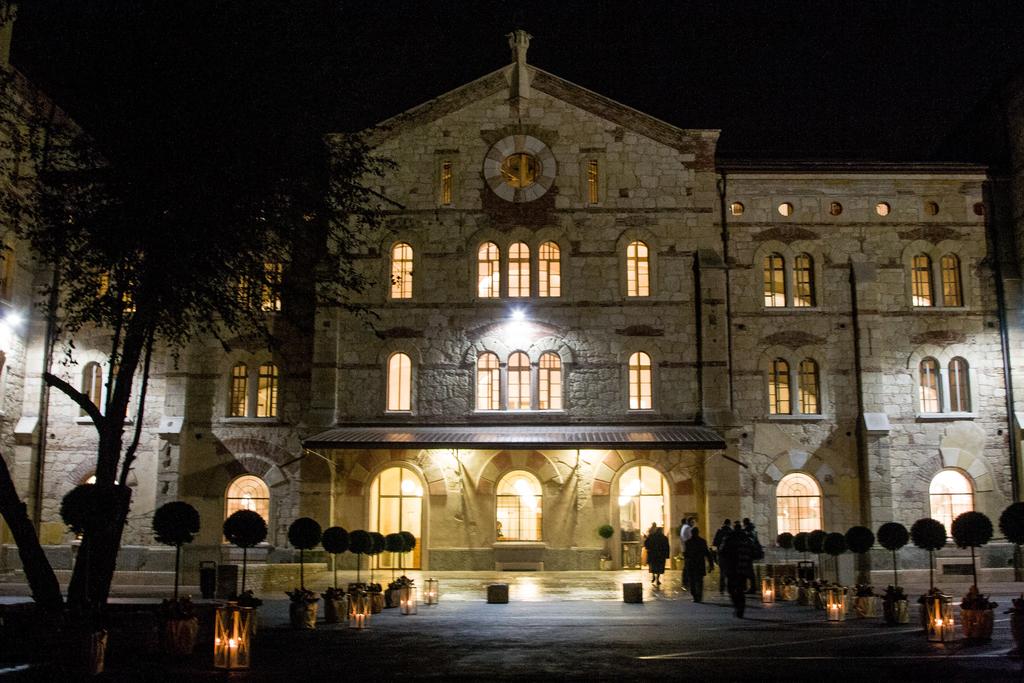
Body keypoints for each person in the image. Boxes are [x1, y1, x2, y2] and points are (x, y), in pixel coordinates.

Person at [718, 525, 754, 618]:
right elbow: (751, 552)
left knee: (731, 589)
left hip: (732, 569)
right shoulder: (745, 539)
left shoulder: (729, 539)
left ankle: (738, 606)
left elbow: (722, 551)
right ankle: (740, 608)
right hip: (742, 568)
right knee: (740, 589)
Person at [683, 527, 714, 602]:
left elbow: (686, 554)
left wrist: (686, 564)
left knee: (692, 581)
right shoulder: (702, 541)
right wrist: (711, 564)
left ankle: (695, 595)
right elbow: (707, 553)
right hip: (700, 564)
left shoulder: (688, 542)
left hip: (691, 564)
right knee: (699, 581)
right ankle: (699, 596)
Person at [712, 519, 732, 595]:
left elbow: (714, 543)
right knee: (730, 572)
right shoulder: (731, 532)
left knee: (722, 572)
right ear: (729, 524)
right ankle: (730, 588)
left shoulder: (719, 531)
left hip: (721, 555)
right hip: (730, 555)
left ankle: (722, 589)